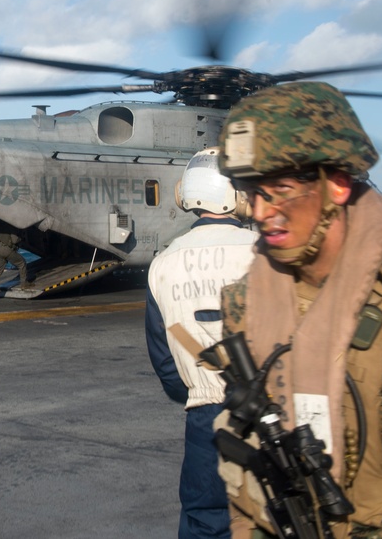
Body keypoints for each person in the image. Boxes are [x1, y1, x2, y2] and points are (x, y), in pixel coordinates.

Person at [214, 81, 382, 537]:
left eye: (279, 190)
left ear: (338, 186)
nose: (262, 212)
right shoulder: (243, 302)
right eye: (252, 193)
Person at [145, 147, 258, 539]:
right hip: (264, 409)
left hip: (204, 417)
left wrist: (195, 392)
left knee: (206, 519)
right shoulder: (263, 253)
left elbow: (164, 362)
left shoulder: (163, 263)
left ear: (185, 194)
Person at [0, 231, 30, 299]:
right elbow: (15, 240)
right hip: (7, 250)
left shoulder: (2, 227)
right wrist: (21, 238)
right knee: (22, 263)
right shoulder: (12, 227)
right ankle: (24, 284)